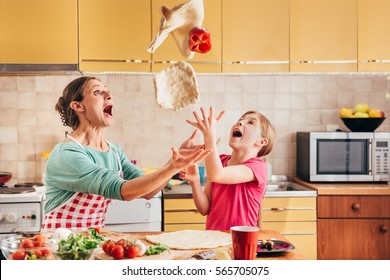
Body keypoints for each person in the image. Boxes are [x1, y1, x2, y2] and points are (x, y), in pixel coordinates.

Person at [42, 76, 211, 232]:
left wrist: (176, 161)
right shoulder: (67, 153)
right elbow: (123, 190)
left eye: (107, 91)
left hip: (92, 240)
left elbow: (148, 191)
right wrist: (173, 167)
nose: (108, 94)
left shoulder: (114, 151)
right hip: (60, 242)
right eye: (98, 92)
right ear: (78, 106)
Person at [181, 107, 276, 230]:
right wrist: (195, 181)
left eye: (251, 122)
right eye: (240, 120)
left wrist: (209, 135)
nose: (240, 122)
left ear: (262, 141)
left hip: (240, 241)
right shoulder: (220, 161)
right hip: (213, 238)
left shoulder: (257, 166)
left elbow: (217, 175)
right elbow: (204, 209)